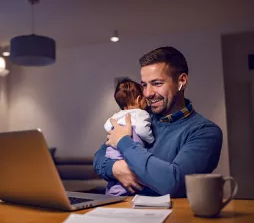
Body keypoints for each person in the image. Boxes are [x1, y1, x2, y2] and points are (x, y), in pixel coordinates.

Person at [94, 46, 223, 197]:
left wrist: (124, 142)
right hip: (120, 212)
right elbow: (99, 158)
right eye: (144, 85)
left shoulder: (205, 132)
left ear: (182, 81)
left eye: (157, 83)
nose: (148, 93)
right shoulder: (138, 117)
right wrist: (115, 168)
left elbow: (173, 183)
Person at [104, 78, 154, 196]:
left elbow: (107, 126)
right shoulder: (141, 113)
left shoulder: (117, 115)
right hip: (128, 152)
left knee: (116, 180)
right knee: (131, 177)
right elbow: (142, 129)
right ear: (139, 99)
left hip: (112, 152)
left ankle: (111, 193)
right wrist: (151, 139)